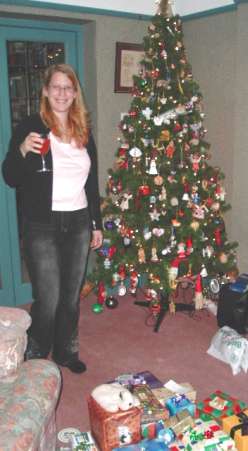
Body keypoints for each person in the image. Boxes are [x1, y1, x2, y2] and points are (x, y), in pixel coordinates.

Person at [2, 64, 103, 373]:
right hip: (42, 224)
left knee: (70, 297)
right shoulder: (31, 126)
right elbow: (10, 177)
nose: (62, 93)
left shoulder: (83, 130)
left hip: (78, 223)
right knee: (49, 297)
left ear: (75, 94)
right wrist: (20, 150)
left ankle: (65, 351)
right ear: (45, 91)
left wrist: (96, 223)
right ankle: (34, 350)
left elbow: (92, 181)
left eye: (68, 88)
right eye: (56, 87)